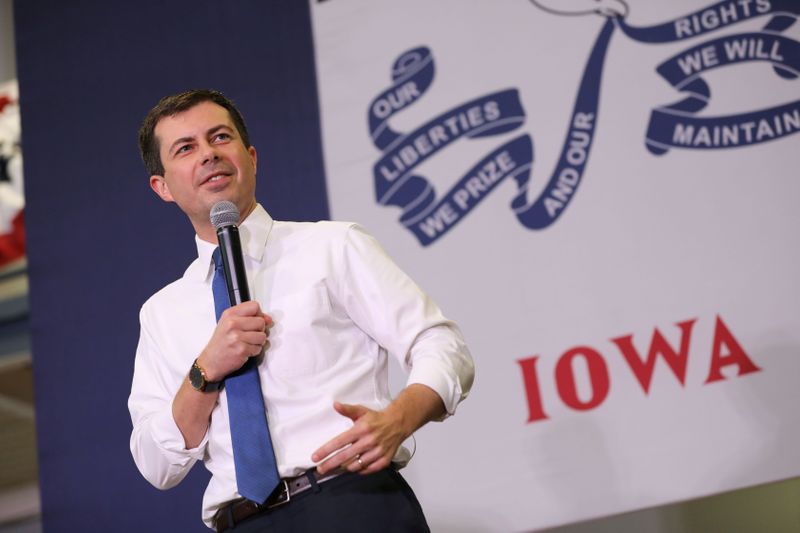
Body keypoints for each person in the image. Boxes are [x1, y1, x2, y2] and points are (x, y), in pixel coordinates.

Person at [128, 89, 474, 532]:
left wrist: (398, 420)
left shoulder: (332, 246)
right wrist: (204, 372)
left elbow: (442, 344)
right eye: (186, 148)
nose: (209, 155)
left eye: (220, 138)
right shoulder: (161, 313)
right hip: (242, 522)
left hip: (350, 503)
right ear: (162, 187)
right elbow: (156, 465)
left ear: (250, 156)